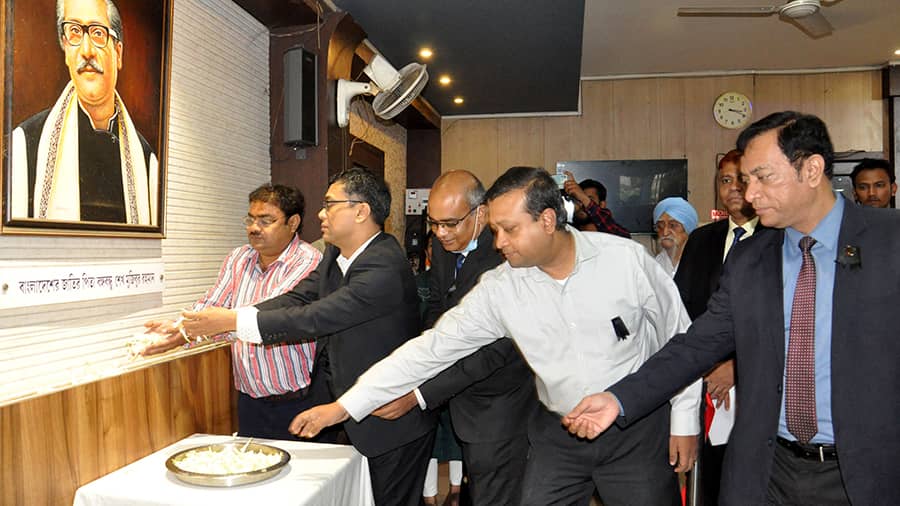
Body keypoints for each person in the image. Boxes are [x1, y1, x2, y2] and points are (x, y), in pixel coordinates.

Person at [288, 167, 701, 506]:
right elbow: (431, 349)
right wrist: (347, 406)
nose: (498, 242)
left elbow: (680, 338)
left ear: (548, 220)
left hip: (636, 429)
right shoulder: (501, 288)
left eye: (509, 229)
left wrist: (684, 420)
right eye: (496, 230)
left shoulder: (623, 261)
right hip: (558, 432)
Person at [561, 111, 900, 505]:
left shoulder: (889, 243)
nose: (750, 194)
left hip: (867, 474)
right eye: (744, 180)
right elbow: (695, 345)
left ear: (811, 169)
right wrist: (619, 398)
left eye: (762, 177)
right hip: (768, 473)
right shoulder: (750, 257)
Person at [173, 168, 436, 506]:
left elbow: (317, 318)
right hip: (352, 411)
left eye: (330, 205)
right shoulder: (335, 255)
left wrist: (234, 321)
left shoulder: (383, 264)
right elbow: (298, 298)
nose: (321, 214)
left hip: (391, 420)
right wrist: (230, 319)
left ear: (361, 210)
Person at [374, 171, 538, 506]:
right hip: (459, 400)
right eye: (433, 223)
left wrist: (419, 393)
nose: (440, 233)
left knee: (496, 495)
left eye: (450, 223)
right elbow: (438, 306)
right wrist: (423, 358)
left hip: (500, 405)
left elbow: (493, 352)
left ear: (481, 213)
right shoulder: (443, 244)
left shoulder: (508, 257)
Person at [141, 184, 323, 440]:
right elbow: (213, 302)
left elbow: (267, 316)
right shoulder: (239, 258)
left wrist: (189, 332)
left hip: (299, 399)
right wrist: (178, 327)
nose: (253, 228)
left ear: (292, 223)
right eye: (250, 218)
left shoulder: (309, 260)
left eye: (266, 220)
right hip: (249, 398)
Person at [10, 0, 157, 224]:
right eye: (75, 32)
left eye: (98, 33)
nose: (86, 51)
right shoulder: (25, 146)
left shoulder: (147, 164)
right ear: (66, 50)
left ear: (118, 53)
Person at [673, 149, 761, 505]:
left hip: (756, 386)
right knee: (709, 479)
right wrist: (704, 365)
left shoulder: (779, 238)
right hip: (703, 380)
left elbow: (784, 325)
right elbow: (682, 308)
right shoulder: (701, 239)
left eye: (743, 179)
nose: (734, 188)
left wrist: (736, 367)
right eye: (726, 180)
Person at [562, 172, 631, 237]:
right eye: (578, 199)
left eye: (589, 199)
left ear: (602, 205)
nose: (581, 204)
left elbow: (624, 238)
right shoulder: (568, 233)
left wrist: (583, 198)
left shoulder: (615, 234)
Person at [653, 197, 698, 276]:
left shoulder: (702, 262)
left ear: (688, 228)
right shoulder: (655, 264)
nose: (665, 232)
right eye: (660, 226)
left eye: (673, 225)